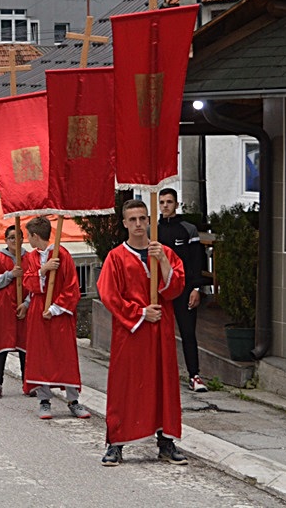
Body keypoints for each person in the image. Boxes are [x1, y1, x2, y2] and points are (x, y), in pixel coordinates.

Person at [98, 199, 187, 467]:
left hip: (160, 328)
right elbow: (109, 295)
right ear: (124, 223)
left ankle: (166, 442)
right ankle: (116, 443)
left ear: (149, 221)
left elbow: (175, 289)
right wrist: (139, 313)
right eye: (132, 220)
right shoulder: (116, 257)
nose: (138, 224)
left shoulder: (165, 253)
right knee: (125, 385)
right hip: (131, 332)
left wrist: (162, 262)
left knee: (163, 383)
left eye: (142, 219)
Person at [21, 216, 90, 420]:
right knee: (40, 356)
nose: (28, 240)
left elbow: (72, 287)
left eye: (28, 236)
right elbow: (27, 282)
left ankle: (73, 400)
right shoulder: (31, 258)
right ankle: (44, 400)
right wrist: (43, 271)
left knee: (64, 355)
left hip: (59, 313)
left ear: (35, 235)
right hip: (38, 312)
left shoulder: (62, 254)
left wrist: (55, 308)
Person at [158, 188, 209, 393]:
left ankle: (194, 375)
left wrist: (196, 288)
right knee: (159, 334)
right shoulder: (152, 229)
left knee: (188, 332)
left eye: (169, 202)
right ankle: (160, 376)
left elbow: (197, 261)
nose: (165, 206)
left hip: (185, 289)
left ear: (176, 205)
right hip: (160, 291)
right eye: (162, 202)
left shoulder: (188, 229)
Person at [0, 225, 29, 398]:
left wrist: (27, 303)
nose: (15, 241)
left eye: (18, 237)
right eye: (11, 238)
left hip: (23, 307)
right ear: (6, 240)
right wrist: (10, 274)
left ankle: (28, 382)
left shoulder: (30, 258)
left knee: (25, 346)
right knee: (1, 345)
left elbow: (34, 283)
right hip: (4, 308)